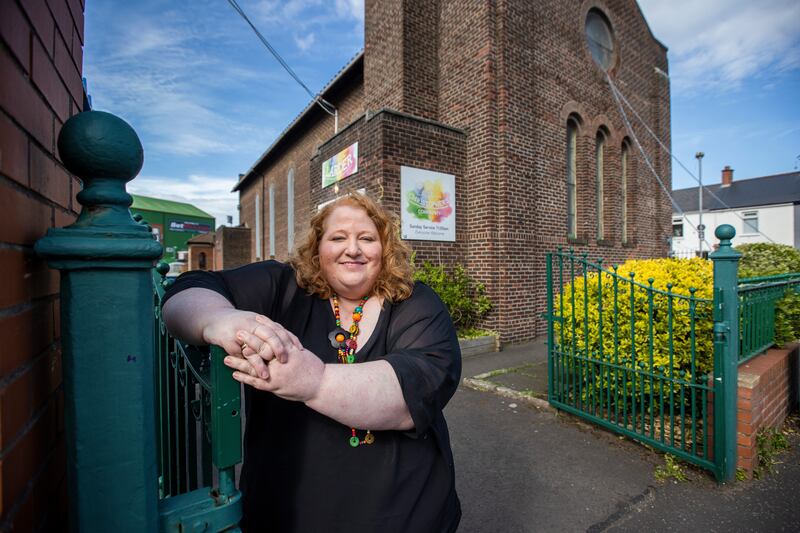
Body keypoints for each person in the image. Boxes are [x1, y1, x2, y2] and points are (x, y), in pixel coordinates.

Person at [162, 192, 462, 532]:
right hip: (288, 514)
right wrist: (219, 319)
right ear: (317, 249)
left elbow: (419, 386)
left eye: (367, 238)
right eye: (338, 238)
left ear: (386, 249)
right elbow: (186, 291)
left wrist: (313, 381)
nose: (353, 249)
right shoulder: (282, 286)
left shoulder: (415, 301)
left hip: (407, 515)